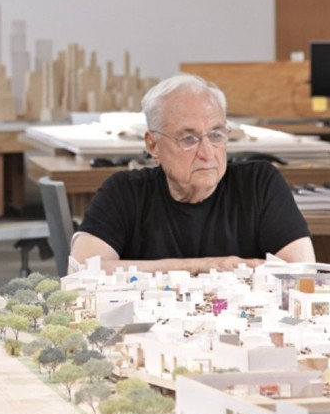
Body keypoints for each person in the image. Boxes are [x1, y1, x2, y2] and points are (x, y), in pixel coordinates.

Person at [70, 74, 315, 274]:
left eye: (216, 135)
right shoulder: (125, 192)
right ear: (153, 145)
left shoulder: (259, 185)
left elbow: (303, 272)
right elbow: (81, 271)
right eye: (189, 139)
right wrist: (202, 267)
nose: (207, 153)